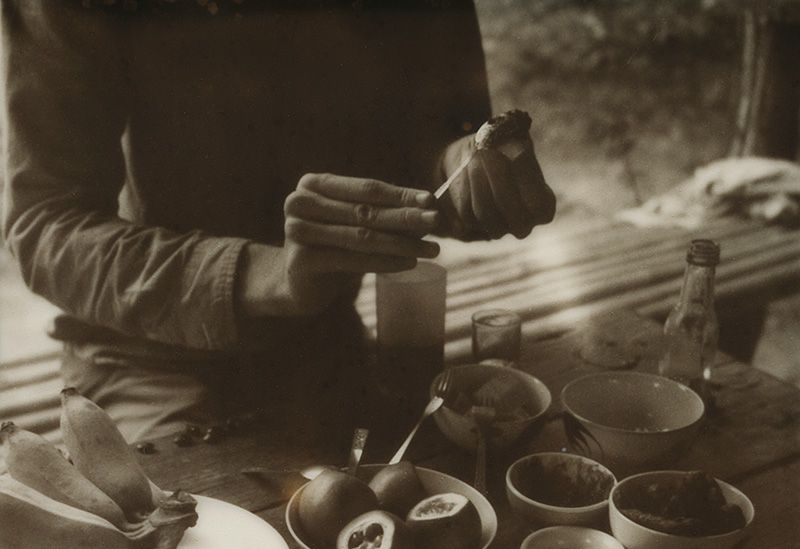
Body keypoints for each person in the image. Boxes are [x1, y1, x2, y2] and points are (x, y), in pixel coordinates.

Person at [1, 0, 556, 444]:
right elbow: (46, 224)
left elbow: (443, 140)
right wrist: (265, 275)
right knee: (196, 538)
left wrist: (465, 172)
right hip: (147, 360)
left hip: (325, 342)